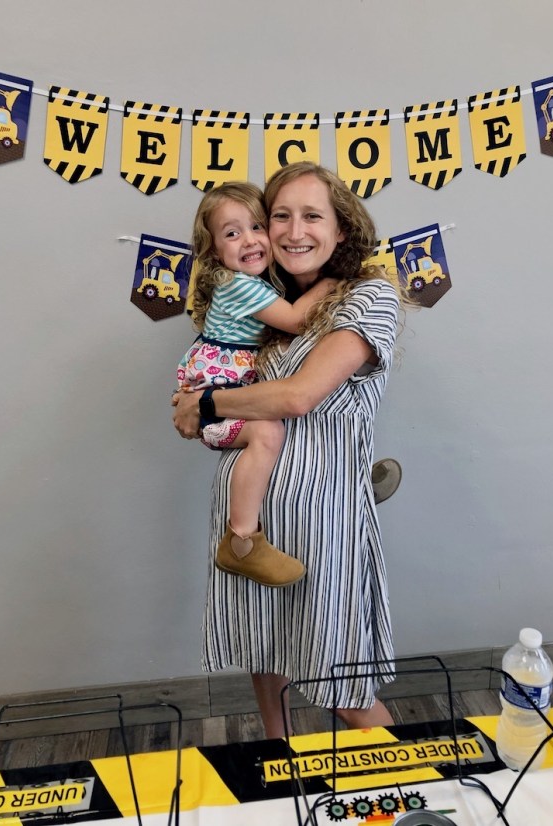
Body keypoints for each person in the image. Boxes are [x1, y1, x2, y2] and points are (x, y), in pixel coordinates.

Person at [173, 162, 405, 738]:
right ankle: (278, 751)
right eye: (280, 216)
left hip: (321, 519)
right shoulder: (268, 305)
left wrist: (205, 404)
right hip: (246, 530)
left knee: (342, 682)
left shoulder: (369, 298)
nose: (293, 229)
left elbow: (298, 397)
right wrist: (216, 409)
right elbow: (246, 399)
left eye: (312, 215)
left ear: (342, 230)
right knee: (265, 646)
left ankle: (412, 792)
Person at [178, 181, 337, 588]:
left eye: (256, 226)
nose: (248, 240)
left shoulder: (259, 284)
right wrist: (332, 281)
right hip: (217, 391)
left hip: (223, 386)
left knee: (269, 430)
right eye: (232, 233)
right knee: (267, 431)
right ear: (214, 250)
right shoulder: (239, 285)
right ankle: (243, 540)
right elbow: (299, 320)